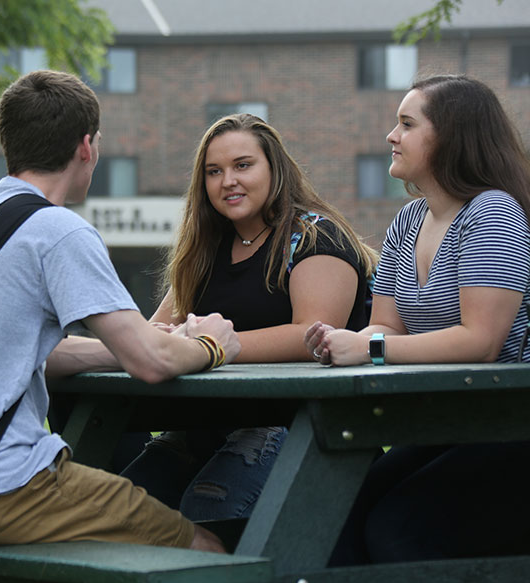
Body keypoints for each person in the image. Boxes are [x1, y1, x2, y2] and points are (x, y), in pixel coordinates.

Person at [0, 70, 241, 553]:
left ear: (7, 141)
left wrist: (122, 347)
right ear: (86, 147)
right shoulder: (58, 230)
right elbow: (152, 363)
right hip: (6, 486)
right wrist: (210, 346)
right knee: (205, 549)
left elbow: (28, 353)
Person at [304, 74, 530, 564]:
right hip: (463, 419)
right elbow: (388, 327)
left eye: (407, 124)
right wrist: (345, 339)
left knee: (399, 534)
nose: (391, 136)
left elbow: (481, 343)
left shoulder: (493, 213)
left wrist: (369, 350)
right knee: (334, 514)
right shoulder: (410, 220)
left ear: (451, 137)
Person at [119, 113, 378, 521]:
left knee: (205, 511)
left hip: (297, 426)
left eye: (243, 165)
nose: (228, 181)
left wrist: (209, 349)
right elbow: (158, 328)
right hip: (204, 426)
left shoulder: (315, 237)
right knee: (124, 512)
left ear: (275, 168)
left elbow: (311, 338)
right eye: (214, 171)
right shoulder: (205, 248)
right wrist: (171, 338)